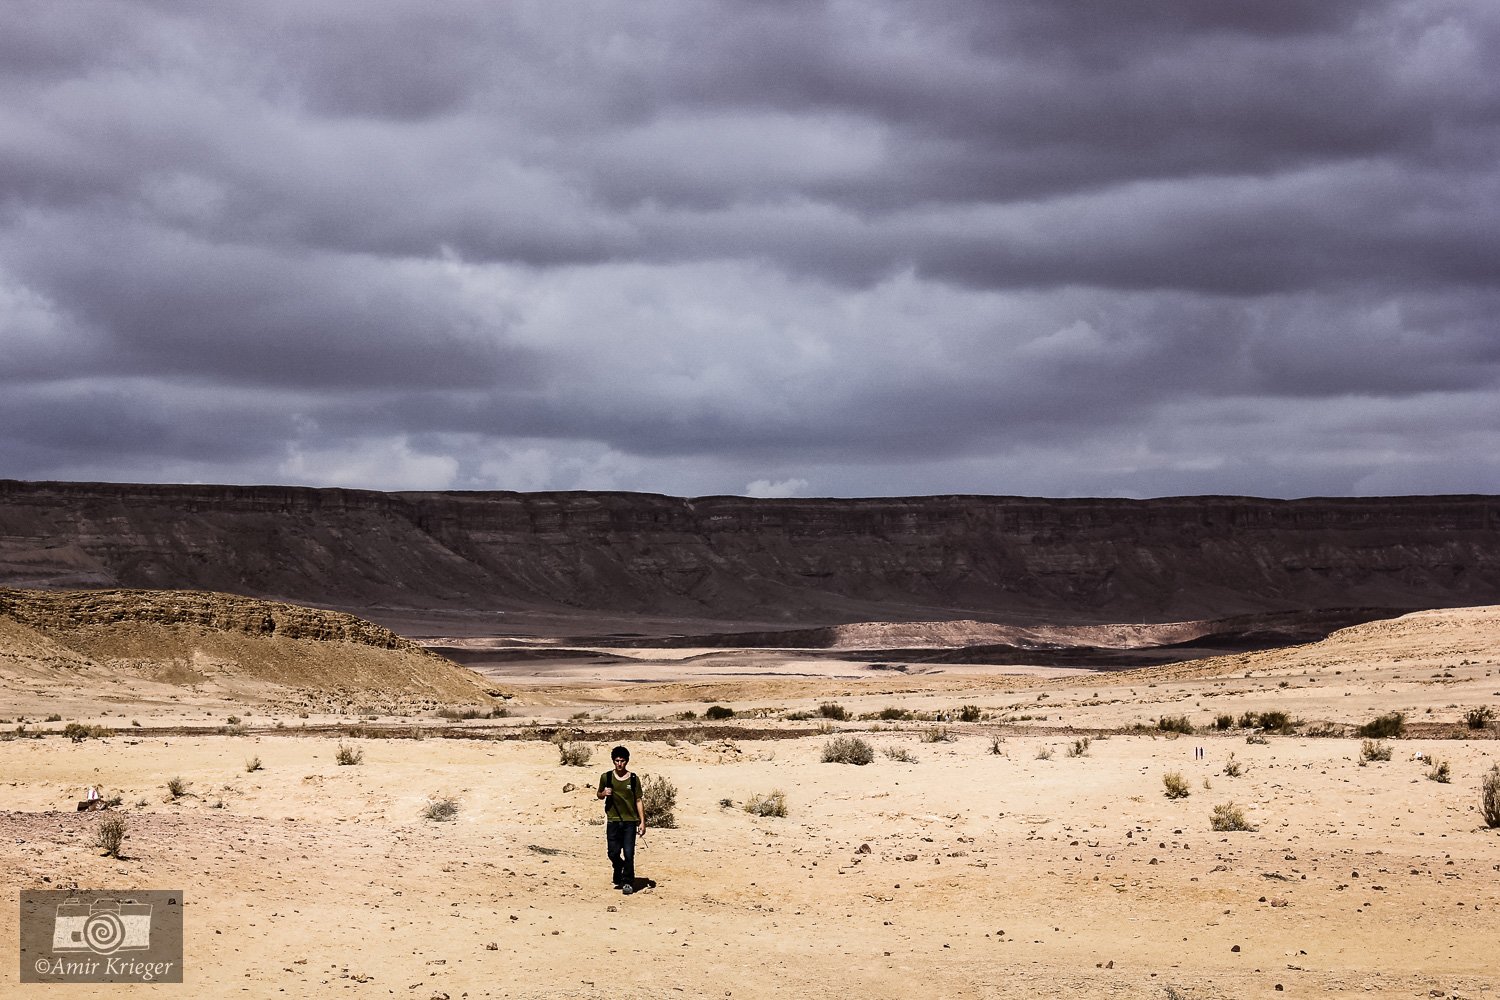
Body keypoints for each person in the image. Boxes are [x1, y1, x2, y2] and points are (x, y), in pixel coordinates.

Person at [596, 745, 646, 894]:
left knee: (629, 853)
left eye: (622, 761)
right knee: (613, 852)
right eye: (617, 760)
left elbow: (638, 800)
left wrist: (642, 821)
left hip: (629, 821)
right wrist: (604, 793)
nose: (619, 764)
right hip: (613, 820)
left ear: (627, 761)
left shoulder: (633, 778)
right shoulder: (607, 777)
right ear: (613, 761)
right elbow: (598, 794)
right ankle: (619, 867)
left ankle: (627, 881)